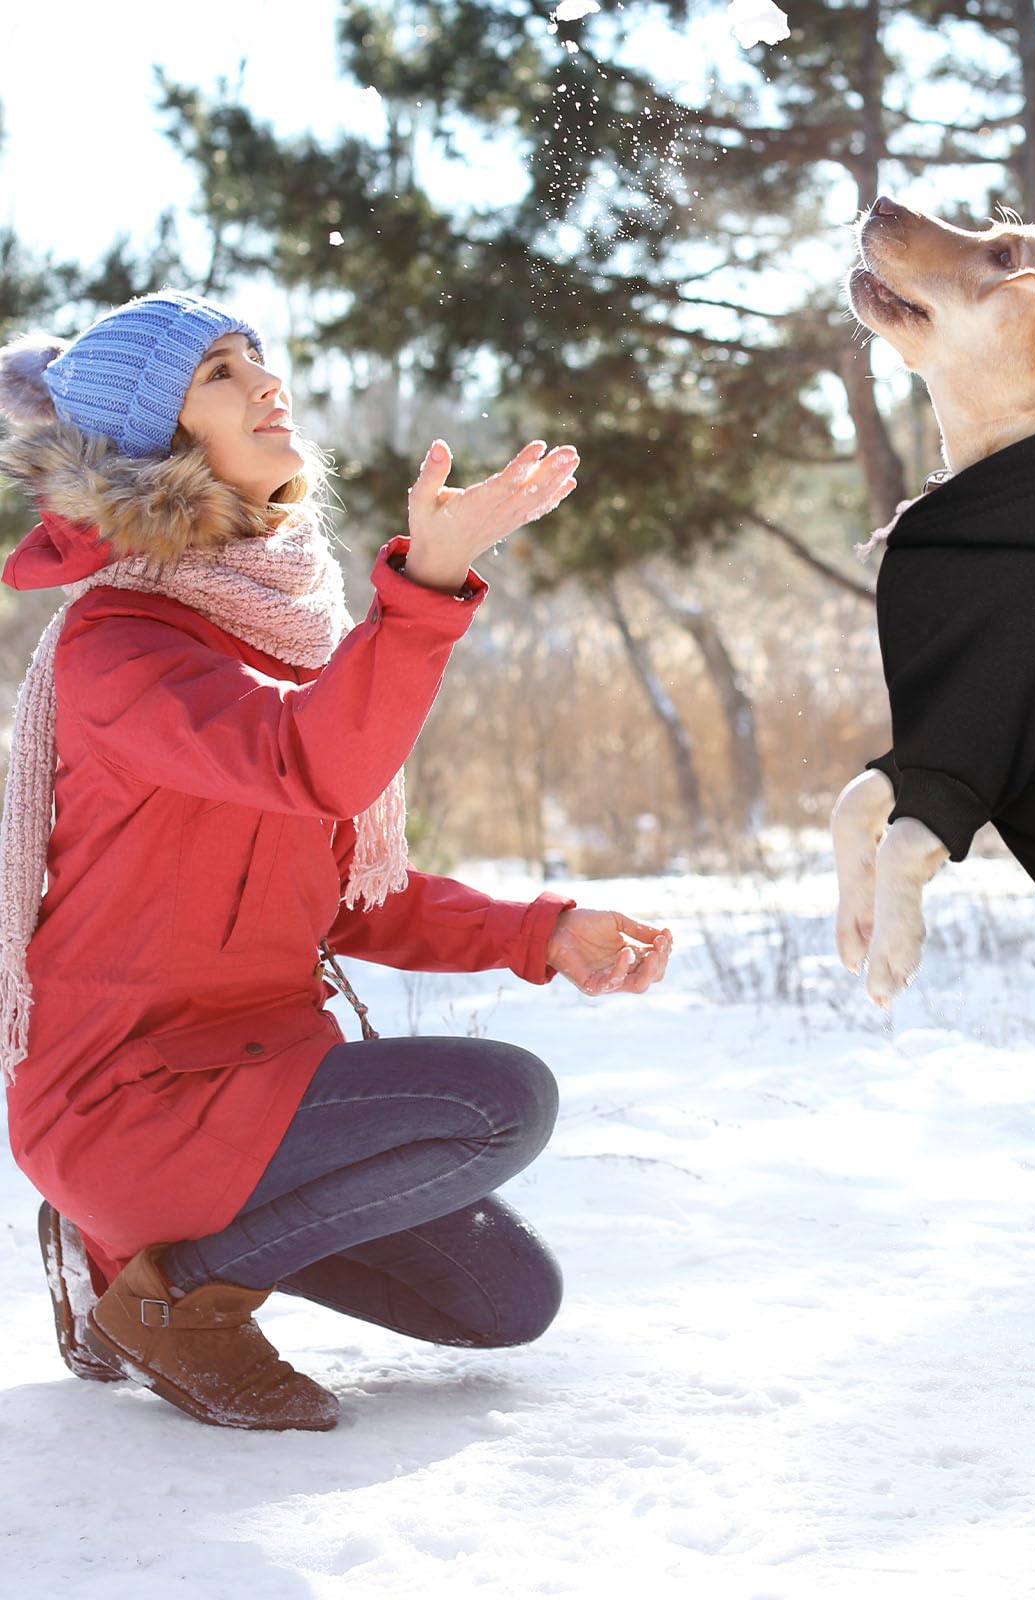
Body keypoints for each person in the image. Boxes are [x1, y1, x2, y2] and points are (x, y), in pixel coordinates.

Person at [0, 290, 673, 1432]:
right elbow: (313, 764)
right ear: (156, 440)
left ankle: (135, 1254)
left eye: (260, 358)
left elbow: (351, 893)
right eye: (220, 370)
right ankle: (168, 1298)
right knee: (500, 1101)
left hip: (261, 1076)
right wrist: (430, 587)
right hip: (134, 1097)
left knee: (507, 1303)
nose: (268, 382)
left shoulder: (279, 628)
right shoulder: (120, 649)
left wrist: (540, 933)